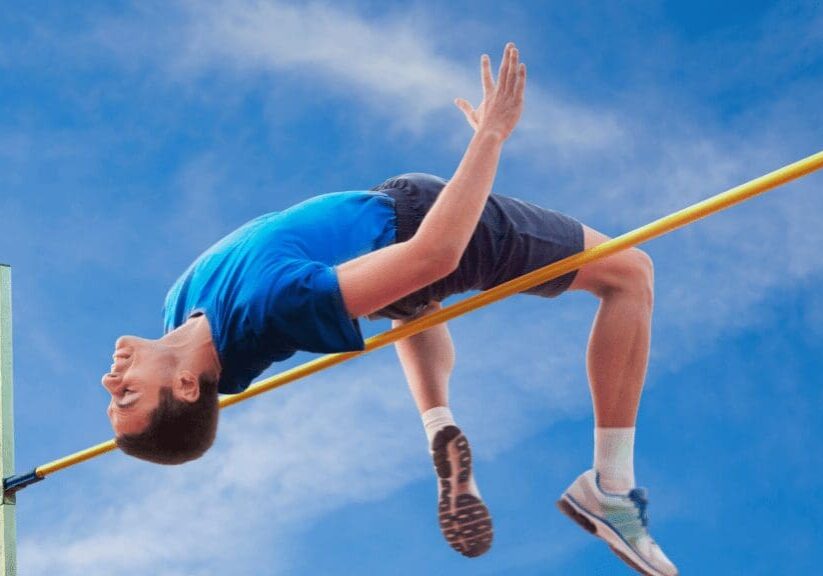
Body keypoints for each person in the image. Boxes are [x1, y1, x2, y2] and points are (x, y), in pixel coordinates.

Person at [101, 43, 676, 575]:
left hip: (386, 220)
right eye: (125, 393)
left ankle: (439, 423)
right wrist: (491, 138)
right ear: (183, 385)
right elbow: (435, 253)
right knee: (629, 274)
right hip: (428, 227)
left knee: (410, 303)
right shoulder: (271, 309)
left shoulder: (181, 305)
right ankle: (612, 488)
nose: (110, 378)